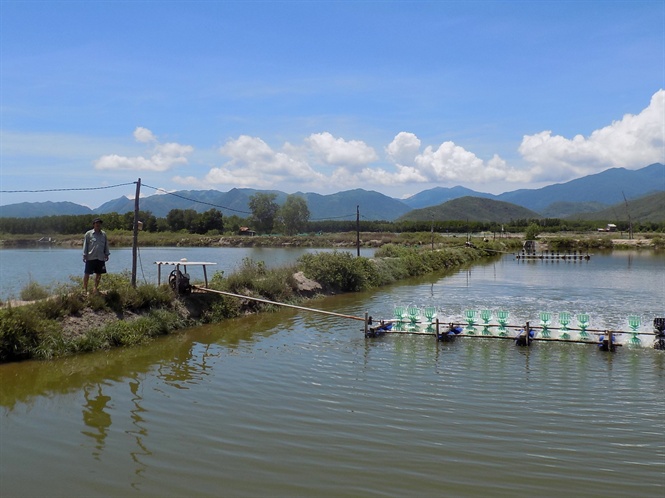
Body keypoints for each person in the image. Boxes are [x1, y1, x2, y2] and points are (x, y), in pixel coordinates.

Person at [82, 218, 110, 293]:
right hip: (91, 257)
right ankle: (85, 289)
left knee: (99, 273)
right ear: (93, 224)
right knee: (87, 273)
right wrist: (84, 255)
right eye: (96, 223)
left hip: (100, 257)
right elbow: (85, 245)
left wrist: (107, 254)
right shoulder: (88, 234)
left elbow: (106, 245)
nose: (98, 225)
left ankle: (95, 288)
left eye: (99, 223)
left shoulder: (103, 234)